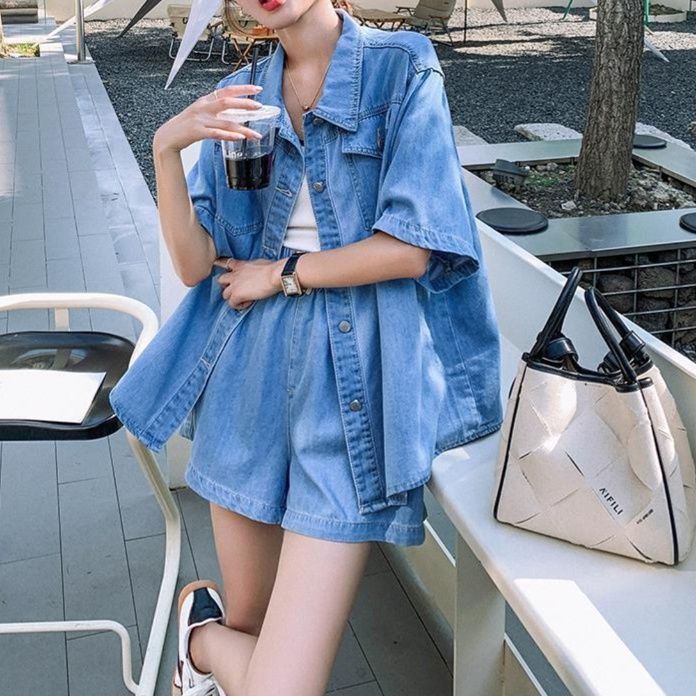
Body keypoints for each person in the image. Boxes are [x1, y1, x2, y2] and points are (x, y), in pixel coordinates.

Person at [108, 2, 503, 694]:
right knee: (254, 631)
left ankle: (200, 642)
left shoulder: (401, 69)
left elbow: (413, 248)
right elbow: (196, 265)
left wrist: (281, 273)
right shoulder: (243, 96)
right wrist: (166, 149)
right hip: (248, 377)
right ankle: (219, 638)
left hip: (353, 388)